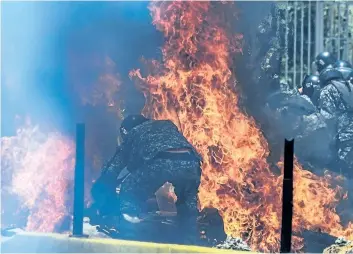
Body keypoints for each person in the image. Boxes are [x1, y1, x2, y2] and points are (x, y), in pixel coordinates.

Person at [90, 114, 204, 244]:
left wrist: (102, 185)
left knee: (129, 190)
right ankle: (189, 239)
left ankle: (130, 233)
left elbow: (115, 165)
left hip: (160, 162)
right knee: (187, 202)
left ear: (125, 131)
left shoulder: (134, 132)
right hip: (191, 163)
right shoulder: (167, 125)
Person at [316, 67, 353, 175]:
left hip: (345, 139)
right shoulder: (350, 86)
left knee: (345, 174)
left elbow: (327, 117)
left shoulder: (328, 90)